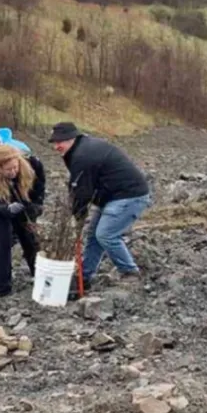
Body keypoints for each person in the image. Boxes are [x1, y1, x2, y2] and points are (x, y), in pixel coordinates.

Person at [48, 122, 150, 292]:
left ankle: (130, 272)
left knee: (106, 234)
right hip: (111, 196)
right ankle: (85, 276)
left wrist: (78, 218)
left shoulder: (82, 156)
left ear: (72, 138)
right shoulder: (80, 148)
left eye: (60, 142)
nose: (57, 146)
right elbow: (77, 186)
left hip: (129, 195)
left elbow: (82, 192)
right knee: (93, 235)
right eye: (54, 142)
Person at [0, 144, 45, 297]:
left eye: (15, 167)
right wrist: (6, 209)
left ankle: (40, 276)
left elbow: (38, 188)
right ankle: (2, 288)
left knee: (30, 238)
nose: (13, 172)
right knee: (2, 242)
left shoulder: (29, 166)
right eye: (8, 169)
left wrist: (35, 207)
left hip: (19, 201)